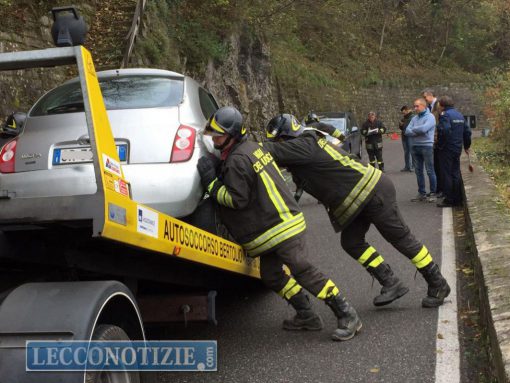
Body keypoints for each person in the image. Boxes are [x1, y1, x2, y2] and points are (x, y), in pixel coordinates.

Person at [196, 106, 362, 341]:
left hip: (279, 226)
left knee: (301, 269)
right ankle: (306, 314)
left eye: (219, 135)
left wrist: (211, 184)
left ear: (232, 136)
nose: (214, 139)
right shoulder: (251, 148)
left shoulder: (237, 160)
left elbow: (236, 199)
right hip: (276, 224)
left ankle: (347, 314)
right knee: (272, 275)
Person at [264, 113, 451, 309]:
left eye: (278, 141)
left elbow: (269, 151)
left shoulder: (303, 145)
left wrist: (245, 150)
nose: (279, 145)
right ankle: (390, 281)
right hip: (359, 197)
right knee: (351, 242)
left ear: (286, 138)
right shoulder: (305, 145)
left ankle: (438, 283)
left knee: (401, 239)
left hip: (372, 192)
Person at [435, 96, 472, 207]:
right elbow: (467, 132)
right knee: (455, 172)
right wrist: (466, 146)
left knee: (446, 173)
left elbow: (445, 130)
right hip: (457, 148)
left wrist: (440, 144)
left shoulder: (445, 115)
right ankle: (457, 198)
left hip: (446, 149)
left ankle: (449, 199)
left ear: (442, 105)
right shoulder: (459, 115)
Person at [405, 99, 437, 202]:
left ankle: (433, 193)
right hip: (415, 146)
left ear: (423, 106)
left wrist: (415, 130)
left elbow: (424, 129)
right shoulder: (414, 118)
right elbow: (407, 131)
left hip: (427, 146)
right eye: (414, 106)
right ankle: (421, 193)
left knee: (429, 170)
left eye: (417, 106)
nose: (415, 108)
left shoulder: (430, 117)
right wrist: (419, 130)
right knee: (418, 171)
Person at [423, 89, 443, 198]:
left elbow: (440, 123)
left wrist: (437, 138)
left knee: (439, 166)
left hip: (438, 140)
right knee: (435, 165)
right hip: (433, 140)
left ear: (430, 95)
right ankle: (437, 189)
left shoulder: (438, 105)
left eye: (425, 97)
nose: (425, 100)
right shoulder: (430, 107)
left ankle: (440, 189)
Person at [398, 105, 414, 172]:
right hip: (404, 136)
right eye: (402, 113)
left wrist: (403, 124)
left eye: (404, 112)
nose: (403, 114)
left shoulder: (413, 117)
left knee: (412, 152)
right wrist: (400, 125)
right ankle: (407, 166)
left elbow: (409, 126)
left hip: (410, 136)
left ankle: (412, 167)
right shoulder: (403, 118)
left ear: (407, 110)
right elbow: (402, 128)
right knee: (406, 152)